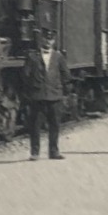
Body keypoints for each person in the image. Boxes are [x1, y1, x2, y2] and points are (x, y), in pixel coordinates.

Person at [22, 27, 71, 160]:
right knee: (35, 126)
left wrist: (63, 92)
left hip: (55, 96)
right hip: (38, 96)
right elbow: (26, 76)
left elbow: (66, 75)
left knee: (54, 125)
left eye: (50, 39)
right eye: (46, 39)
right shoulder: (32, 56)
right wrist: (32, 90)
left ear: (54, 41)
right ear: (41, 39)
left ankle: (54, 152)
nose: (48, 42)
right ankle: (35, 153)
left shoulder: (59, 56)